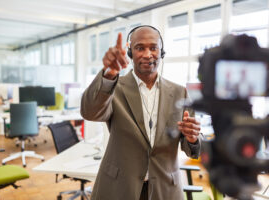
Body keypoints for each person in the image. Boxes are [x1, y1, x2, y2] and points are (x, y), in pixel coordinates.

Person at [81, 25, 201, 200]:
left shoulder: (179, 92)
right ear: (130, 53)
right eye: (139, 48)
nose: (147, 54)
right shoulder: (114, 86)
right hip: (119, 187)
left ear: (162, 52)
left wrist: (193, 138)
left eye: (153, 48)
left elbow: (191, 147)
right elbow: (90, 112)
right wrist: (108, 74)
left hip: (165, 188)